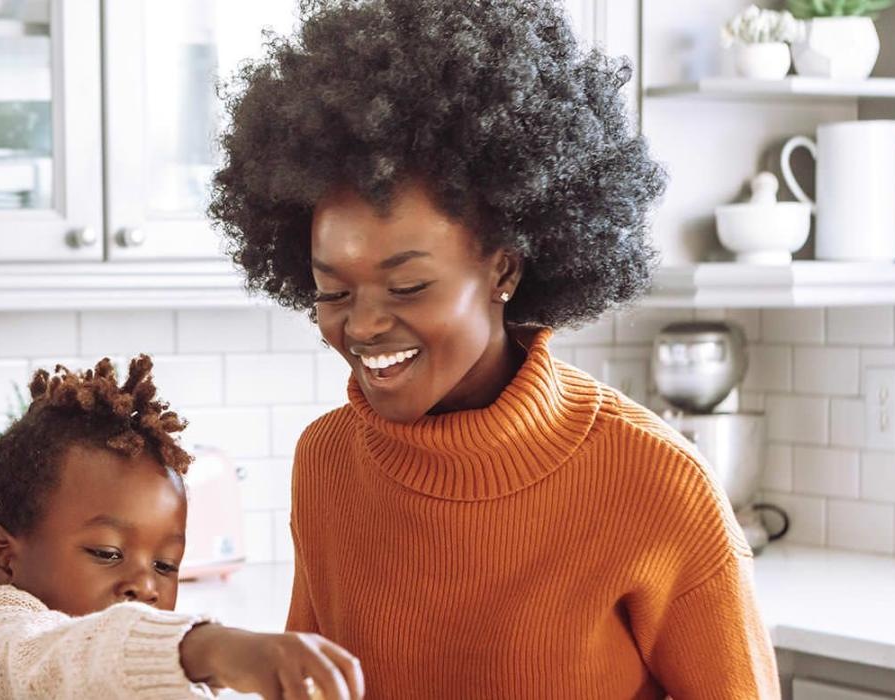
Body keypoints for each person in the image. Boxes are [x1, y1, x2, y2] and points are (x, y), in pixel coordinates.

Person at [206, 0, 779, 697]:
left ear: (504, 269)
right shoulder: (326, 464)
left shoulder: (655, 484)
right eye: (333, 291)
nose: (362, 326)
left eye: (409, 285)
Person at [0, 357, 364, 700]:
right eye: (107, 552)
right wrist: (210, 649)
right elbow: (54, 663)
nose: (146, 586)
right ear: (3, 558)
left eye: (166, 565)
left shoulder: (147, 678)